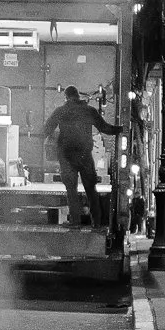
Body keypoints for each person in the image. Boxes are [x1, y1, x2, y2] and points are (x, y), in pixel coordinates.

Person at [43, 84, 119, 232]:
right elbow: (105, 128)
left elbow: (47, 129)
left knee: (71, 190)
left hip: (66, 155)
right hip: (85, 155)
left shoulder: (61, 111)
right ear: (78, 96)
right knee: (91, 189)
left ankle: (75, 221)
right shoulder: (89, 110)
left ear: (66, 97)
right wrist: (121, 129)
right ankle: (96, 222)